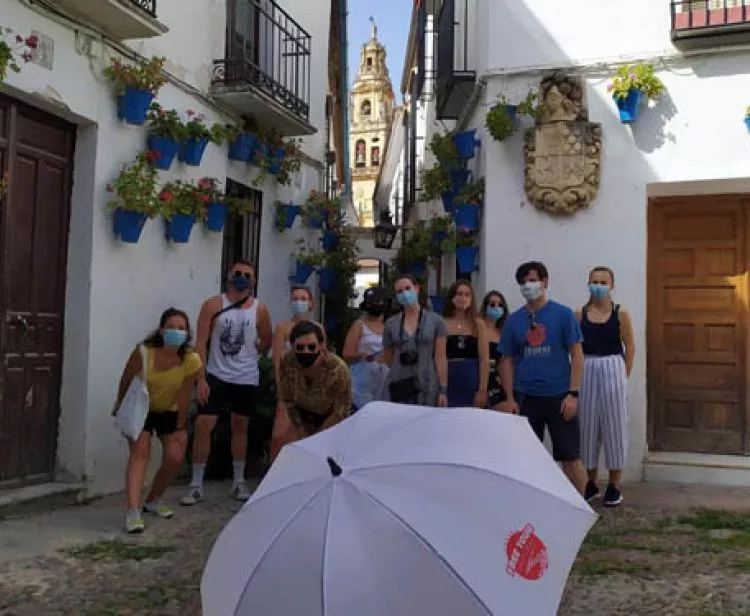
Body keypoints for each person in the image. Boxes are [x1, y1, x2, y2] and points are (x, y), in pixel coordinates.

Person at [181, 260, 272, 506]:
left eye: (247, 275)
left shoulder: (259, 310)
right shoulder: (213, 305)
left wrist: (256, 352)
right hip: (216, 375)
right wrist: (200, 378)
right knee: (203, 425)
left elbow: (267, 339)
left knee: (240, 427)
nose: (242, 278)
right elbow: (200, 342)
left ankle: (239, 481)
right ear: (229, 277)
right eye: (238, 274)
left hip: (246, 377)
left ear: (253, 281)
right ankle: (196, 483)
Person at [499, 261, 587, 495]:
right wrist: (510, 398)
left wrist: (573, 393)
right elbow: (506, 360)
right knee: (528, 458)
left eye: (533, 280)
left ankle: (580, 508)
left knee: (571, 457)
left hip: (559, 396)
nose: (529, 285)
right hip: (526, 397)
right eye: (524, 282)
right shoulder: (514, 321)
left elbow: (576, 353)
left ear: (545, 282)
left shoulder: (563, 314)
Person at [113, 308, 202, 534]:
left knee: (175, 456)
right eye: (171, 327)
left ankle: (153, 500)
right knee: (140, 453)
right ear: (161, 329)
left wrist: (181, 425)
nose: (176, 332)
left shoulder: (191, 360)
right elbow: (125, 378)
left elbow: (184, 393)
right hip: (141, 408)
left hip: (169, 410)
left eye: (181, 328)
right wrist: (119, 405)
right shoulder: (144, 352)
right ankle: (133, 512)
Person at [576, 266, 635, 507]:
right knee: (587, 426)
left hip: (612, 367)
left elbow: (629, 345)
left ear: (611, 285)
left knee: (614, 426)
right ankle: (590, 482)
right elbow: (575, 347)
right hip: (587, 367)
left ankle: (614, 485)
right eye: (594, 281)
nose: (598, 285)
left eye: (602, 281)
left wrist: (624, 374)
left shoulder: (621, 314)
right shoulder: (579, 314)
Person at [382, 274, 448, 407]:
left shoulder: (436, 321)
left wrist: (443, 389)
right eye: (399, 292)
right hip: (399, 381)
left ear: (416, 288)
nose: (404, 294)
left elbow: (440, 357)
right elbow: (388, 357)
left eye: (408, 288)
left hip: (427, 382)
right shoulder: (391, 324)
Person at [278, 320, 352, 437]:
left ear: (321, 346)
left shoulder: (338, 369)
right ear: (292, 346)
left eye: (311, 347)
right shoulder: (288, 361)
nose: (306, 351)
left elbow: (341, 410)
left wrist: (319, 436)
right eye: (300, 347)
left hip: (330, 422)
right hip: (302, 417)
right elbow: (287, 397)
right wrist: (298, 425)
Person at [269, 285, 316, 460]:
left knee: (305, 434)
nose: (299, 302)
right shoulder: (282, 328)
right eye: (295, 299)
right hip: (289, 386)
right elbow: (276, 362)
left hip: (311, 389)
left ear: (311, 303)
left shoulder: (317, 328)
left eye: (303, 299)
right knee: (280, 435)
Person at [442, 280, 489, 407]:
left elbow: (484, 359)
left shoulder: (479, 324)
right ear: (452, 297)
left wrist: (483, 389)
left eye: (467, 295)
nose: (463, 298)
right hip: (449, 377)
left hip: (472, 378)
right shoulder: (442, 323)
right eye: (459, 294)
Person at [342, 286, 390, 412]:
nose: (375, 305)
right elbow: (346, 354)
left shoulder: (389, 327)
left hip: (383, 381)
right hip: (361, 382)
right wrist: (361, 355)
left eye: (378, 302)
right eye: (371, 303)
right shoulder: (359, 325)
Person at [479, 290, 509, 410]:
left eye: (500, 305)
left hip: (496, 381)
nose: (496, 307)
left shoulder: (502, 333)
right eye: (492, 304)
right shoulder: (479, 328)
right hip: (480, 378)